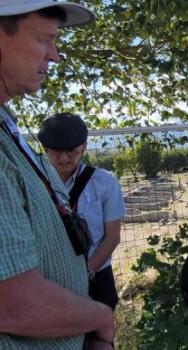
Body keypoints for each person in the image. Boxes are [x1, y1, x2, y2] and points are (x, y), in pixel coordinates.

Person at [0, 2, 115, 349]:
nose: (56, 55)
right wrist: (101, 317)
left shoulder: (7, 124)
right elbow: (11, 303)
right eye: (45, 39)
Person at [38, 113, 126, 312]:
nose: (63, 158)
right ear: (45, 150)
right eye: (55, 152)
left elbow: (112, 237)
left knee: (99, 340)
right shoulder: (35, 183)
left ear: (84, 147)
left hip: (96, 276)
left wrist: (85, 274)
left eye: (71, 151)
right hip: (49, 278)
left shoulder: (104, 182)